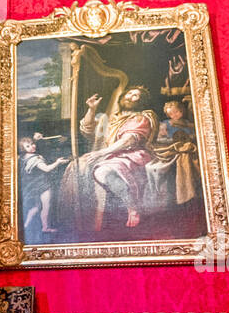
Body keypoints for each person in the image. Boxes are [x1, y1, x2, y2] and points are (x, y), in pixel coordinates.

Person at [64, 86, 159, 230]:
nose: (130, 96)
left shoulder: (141, 117)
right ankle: (82, 218)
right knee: (77, 166)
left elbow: (129, 141)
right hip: (111, 154)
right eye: (129, 93)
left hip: (132, 154)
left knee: (103, 172)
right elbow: (87, 130)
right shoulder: (111, 118)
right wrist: (91, 109)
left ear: (141, 101)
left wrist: (101, 153)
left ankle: (132, 208)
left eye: (136, 96)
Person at [146, 99, 202, 210]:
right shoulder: (166, 123)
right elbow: (161, 137)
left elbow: (194, 136)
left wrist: (189, 138)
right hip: (171, 147)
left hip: (185, 148)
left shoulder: (188, 124)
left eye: (176, 112)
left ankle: (189, 194)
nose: (174, 115)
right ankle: (167, 198)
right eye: (170, 113)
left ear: (181, 111)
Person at [19, 137, 68, 235]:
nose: (32, 147)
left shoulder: (25, 157)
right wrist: (58, 162)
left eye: (32, 144)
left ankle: (25, 226)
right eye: (28, 146)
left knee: (37, 207)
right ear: (23, 149)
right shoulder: (35, 159)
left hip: (34, 186)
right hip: (43, 185)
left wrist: (35, 138)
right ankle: (45, 227)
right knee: (46, 206)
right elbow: (47, 169)